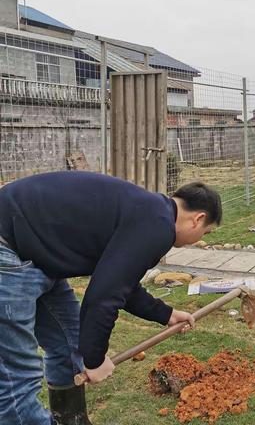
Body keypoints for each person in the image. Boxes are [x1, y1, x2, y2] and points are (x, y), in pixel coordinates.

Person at [0, 171, 222, 424]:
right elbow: (104, 296)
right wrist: (94, 358)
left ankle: (71, 419)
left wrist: (166, 314)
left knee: (68, 344)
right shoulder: (158, 225)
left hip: (35, 250)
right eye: (206, 233)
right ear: (198, 219)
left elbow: (119, 281)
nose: (199, 240)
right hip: (8, 245)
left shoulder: (150, 212)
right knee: (15, 375)